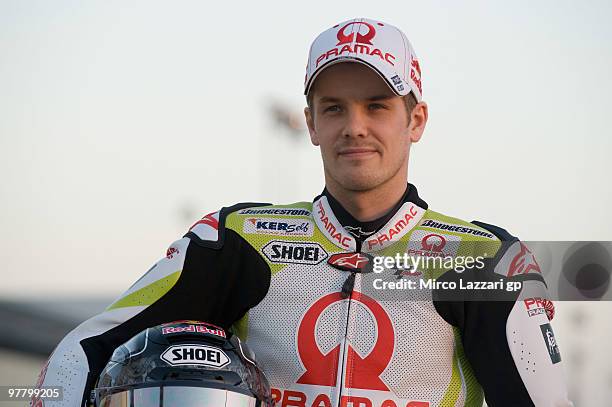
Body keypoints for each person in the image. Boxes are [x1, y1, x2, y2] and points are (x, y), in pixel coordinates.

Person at [33, 18, 573, 407]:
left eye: (377, 106)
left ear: (417, 120)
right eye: (333, 108)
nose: (353, 126)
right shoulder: (236, 239)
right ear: (311, 124)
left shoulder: (484, 259)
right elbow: (83, 352)